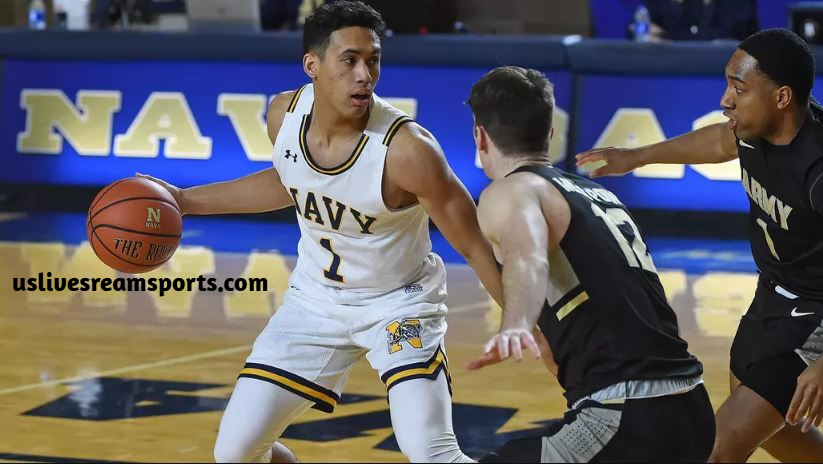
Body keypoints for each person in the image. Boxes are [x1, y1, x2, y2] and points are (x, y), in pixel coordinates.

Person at [139, 1, 504, 462]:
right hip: (314, 302)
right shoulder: (282, 116)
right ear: (312, 65)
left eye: (373, 60)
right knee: (234, 454)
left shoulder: (408, 150)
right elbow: (291, 182)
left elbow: (475, 247)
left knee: (431, 452)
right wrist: (185, 200)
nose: (364, 75)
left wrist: (532, 327)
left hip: (398, 305)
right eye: (349, 60)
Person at [576, 28, 823, 462]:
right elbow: (718, 143)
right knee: (772, 433)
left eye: (739, 88)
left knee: (717, 445)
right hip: (772, 298)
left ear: (782, 97)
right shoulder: (752, 128)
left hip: (816, 316)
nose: (725, 99)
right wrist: (636, 157)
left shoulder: (818, 168)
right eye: (728, 83)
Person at [463, 66, 715, 462]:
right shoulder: (598, 194)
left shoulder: (512, 191)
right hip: (691, 406)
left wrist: (515, 323)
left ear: (480, 136)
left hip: (627, 414)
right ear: (550, 134)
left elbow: (525, 255)